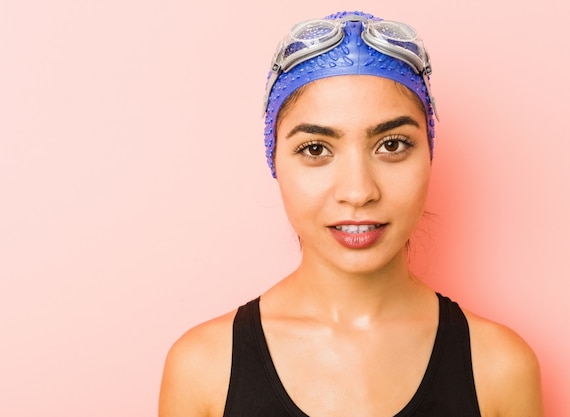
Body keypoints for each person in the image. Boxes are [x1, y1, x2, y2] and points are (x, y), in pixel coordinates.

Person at [159, 10, 543, 417]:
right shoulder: (203, 369)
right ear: (274, 161)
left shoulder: (500, 368)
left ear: (430, 154)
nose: (359, 192)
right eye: (316, 149)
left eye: (392, 145)